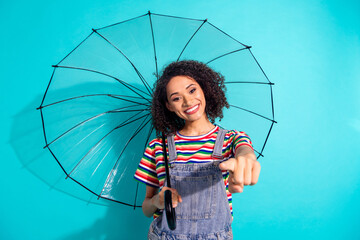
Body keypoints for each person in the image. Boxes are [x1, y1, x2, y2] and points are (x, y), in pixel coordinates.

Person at [134, 60, 260, 239]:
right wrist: (158, 201)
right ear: (169, 106)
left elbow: (244, 150)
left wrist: (246, 158)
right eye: (176, 98)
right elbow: (147, 209)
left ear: (204, 88)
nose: (188, 101)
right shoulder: (157, 147)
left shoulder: (231, 139)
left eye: (192, 90)